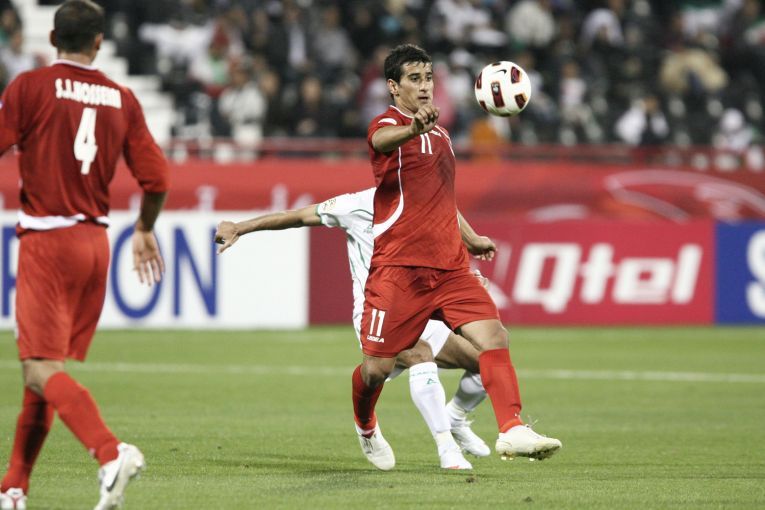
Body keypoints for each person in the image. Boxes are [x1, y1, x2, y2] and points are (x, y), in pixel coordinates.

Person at [352, 44, 561, 470]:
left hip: (449, 268)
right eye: (414, 79)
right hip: (399, 272)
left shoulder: (442, 136)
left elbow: (443, 200)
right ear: (393, 86)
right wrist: (412, 129)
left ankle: (512, 428)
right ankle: (366, 424)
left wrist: (471, 238)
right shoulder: (388, 125)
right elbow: (380, 141)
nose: (425, 86)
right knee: (375, 369)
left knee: (494, 337)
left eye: (428, 78)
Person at [0, 2, 170, 509]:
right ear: (99, 42)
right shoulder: (122, 98)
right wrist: (144, 227)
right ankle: (13, 488)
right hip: (95, 245)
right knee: (44, 371)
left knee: (39, 370)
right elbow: (157, 179)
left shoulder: (29, 87)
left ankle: (110, 452)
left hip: (48, 241)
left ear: (53, 38)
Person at [214, 188, 491, 470]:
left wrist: (464, 278)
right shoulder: (355, 206)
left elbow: (440, 239)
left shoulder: (424, 202)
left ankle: (455, 417)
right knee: (418, 357)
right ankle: (439, 445)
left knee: (486, 360)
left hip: (420, 308)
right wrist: (240, 227)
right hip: (377, 313)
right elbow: (298, 216)